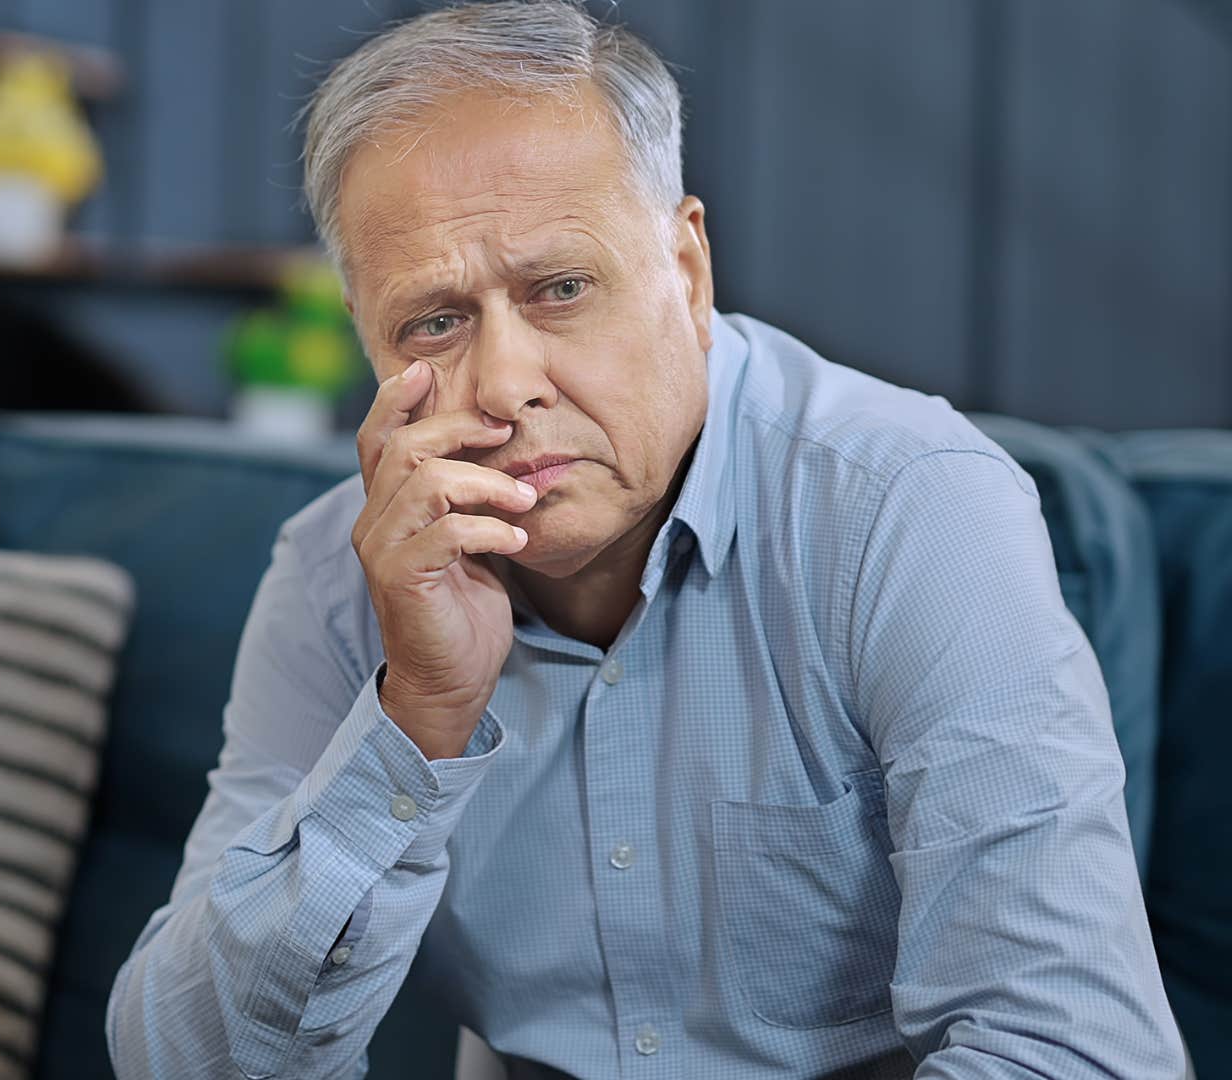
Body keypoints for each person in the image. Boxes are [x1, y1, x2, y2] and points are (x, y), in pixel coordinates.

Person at [106, 2, 1186, 1076]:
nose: (505, 386)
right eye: (434, 321)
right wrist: (416, 719)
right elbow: (183, 1066)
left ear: (688, 268)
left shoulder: (905, 508)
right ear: (366, 339)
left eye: (561, 289)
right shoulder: (341, 577)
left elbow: (1070, 1050)